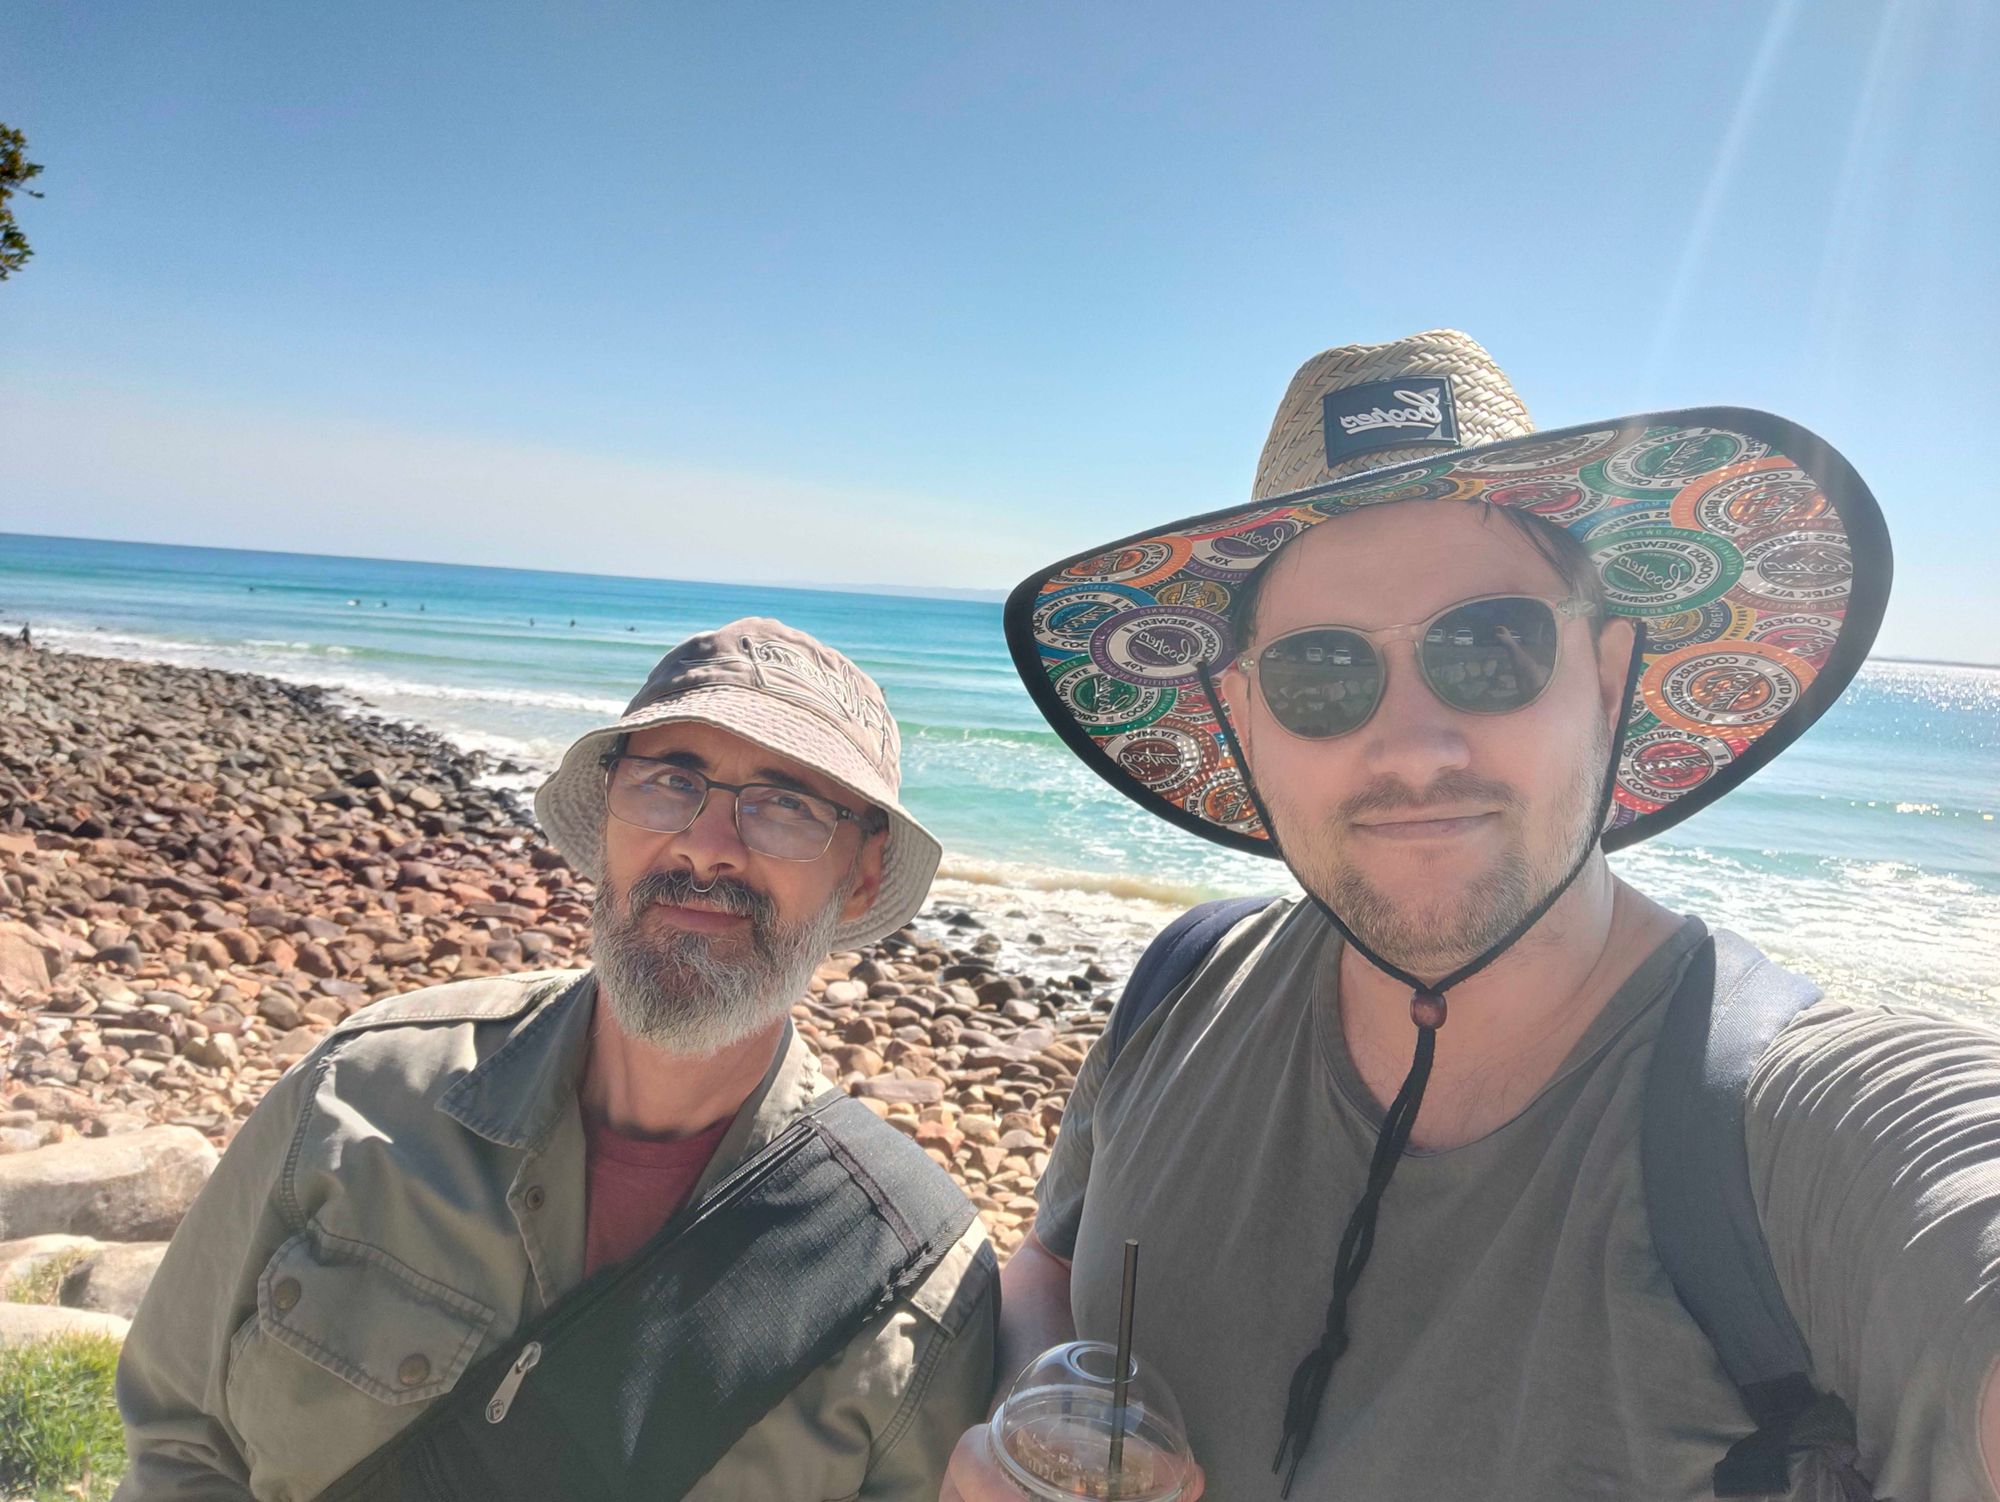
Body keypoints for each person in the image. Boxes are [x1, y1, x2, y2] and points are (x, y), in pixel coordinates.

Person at [945, 330, 2000, 1500]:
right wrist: (1037, 1404)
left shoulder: (1793, 1130)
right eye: (1319, 674)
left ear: (1605, 681)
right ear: (1244, 721)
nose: (1410, 745)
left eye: (1489, 647)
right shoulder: (1183, 980)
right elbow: (1047, 1257)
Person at [116, 617, 998, 1500]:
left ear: (866, 873)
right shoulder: (363, 1088)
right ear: (610, 812)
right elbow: (179, 1435)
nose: (707, 845)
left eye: (787, 807)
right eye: (669, 782)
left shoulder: (911, 1279)